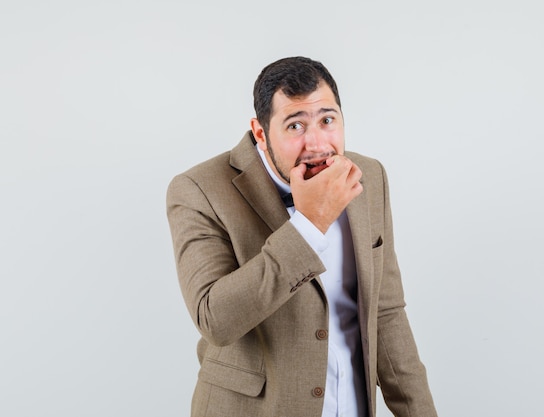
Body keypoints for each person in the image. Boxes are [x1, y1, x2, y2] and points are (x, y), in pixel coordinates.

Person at [166, 56, 437, 417]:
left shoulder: (368, 175)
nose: (317, 143)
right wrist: (309, 224)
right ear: (260, 132)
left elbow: (386, 314)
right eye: (295, 126)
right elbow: (215, 320)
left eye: (328, 120)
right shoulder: (198, 190)